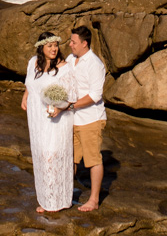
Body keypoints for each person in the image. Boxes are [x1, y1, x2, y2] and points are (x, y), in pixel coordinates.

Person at [21, 31, 75, 212]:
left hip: (56, 118)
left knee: (52, 154)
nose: (54, 49)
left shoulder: (64, 67)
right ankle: (45, 200)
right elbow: (29, 83)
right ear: (41, 48)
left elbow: (70, 94)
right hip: (36, 117)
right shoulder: (33, 63)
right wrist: (25, 96)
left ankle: (59, 200)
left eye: (56, 45)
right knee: (40, 155)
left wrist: (59, 107)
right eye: (49, 46)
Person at [66, 25, 107, 212]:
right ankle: (65, 194)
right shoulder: (71, 59)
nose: (70, 44)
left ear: (84, 43)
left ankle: (94, 200)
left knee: (92, 159)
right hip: (72, 119)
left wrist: (71, 105)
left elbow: (95, 95)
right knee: (71, 159)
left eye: (73, 42)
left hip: (91, 119)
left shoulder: (95, 64)